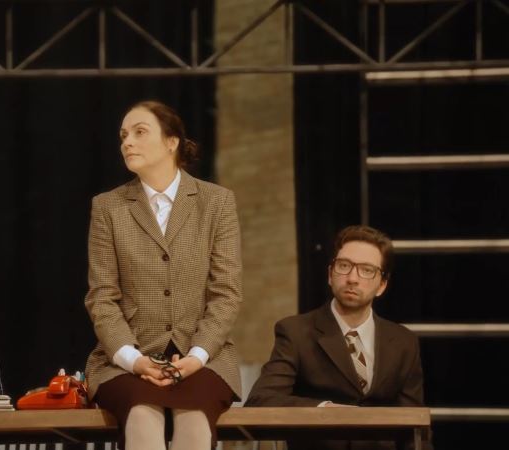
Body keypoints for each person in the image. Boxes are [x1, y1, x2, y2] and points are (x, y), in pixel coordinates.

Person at [84, 100, 242, 450]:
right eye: (123, 135)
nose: (127, 142)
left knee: (194, 420)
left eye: (140, 132)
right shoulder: (108, 207)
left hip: (202, 357)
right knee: (142, 415)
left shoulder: (216, 202)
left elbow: (226, 293)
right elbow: (102, 297)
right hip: (127, 359)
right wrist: (134, 360)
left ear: (172, 142)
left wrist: (197, 356)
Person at [246, 225, 431, 450]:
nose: (352, 278)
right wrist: (324, 410)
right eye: (344, 266)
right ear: (330, 274)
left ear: (382, 285)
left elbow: (413, 426)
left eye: (366, 270)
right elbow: (261, 400)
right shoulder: (296, 332)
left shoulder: (403, 342)